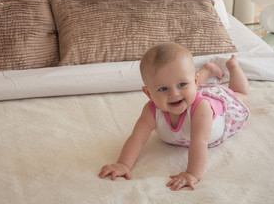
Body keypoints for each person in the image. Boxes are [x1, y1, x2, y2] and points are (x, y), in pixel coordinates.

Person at [98, 43, 250, 191]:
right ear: (148, 94)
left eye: (182, 84)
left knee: (242, 96)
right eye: (163, 88)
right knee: (186, 93)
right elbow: (137, 138)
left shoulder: (201, 109)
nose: (173, 94)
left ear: (194, 81)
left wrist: (191, 174)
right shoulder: (151, 111)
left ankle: (233, 67)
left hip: (222, 107)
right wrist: (124, 164)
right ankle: (207, 70)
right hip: (191, 94)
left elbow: (199, 143)